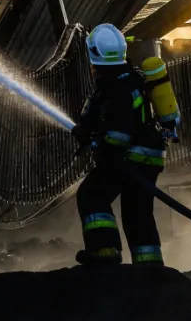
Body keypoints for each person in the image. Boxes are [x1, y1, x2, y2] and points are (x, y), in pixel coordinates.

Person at [71, 24, 181, 266]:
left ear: (94, 54)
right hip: (150, 155)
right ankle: (150, 266)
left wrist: (103, 148)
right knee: (138, 214)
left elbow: (122, 132)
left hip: (129, 157)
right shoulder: (132, 78)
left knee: (92, 194)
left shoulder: (114, 86)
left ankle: (104, 251)